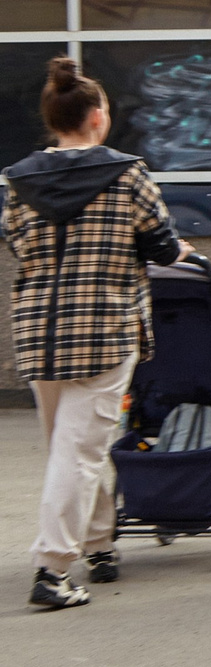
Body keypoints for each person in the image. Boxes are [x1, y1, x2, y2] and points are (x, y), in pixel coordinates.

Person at [6, 58, 183, 610]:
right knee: (80, 452)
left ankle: (100, 543)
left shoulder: (16, 181)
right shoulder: (127, 173)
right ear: (98, 119)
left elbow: (17, 246)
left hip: (40, 331)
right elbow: (160, 244)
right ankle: (54, 569)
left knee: (69, 445)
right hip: (104, 328)